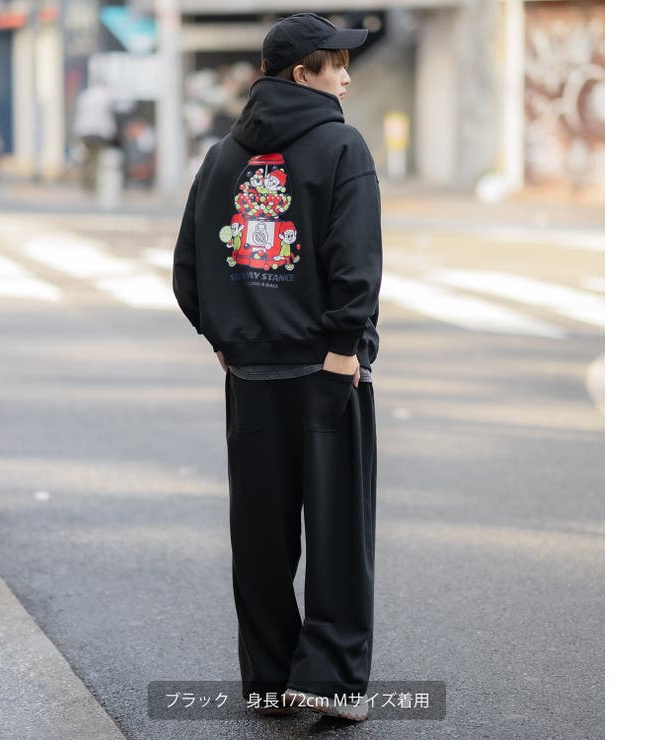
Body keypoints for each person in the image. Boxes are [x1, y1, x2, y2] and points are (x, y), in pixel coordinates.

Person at [172, 12, 382, 722]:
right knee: (338, 533)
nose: (346, 77)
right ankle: (329, 679)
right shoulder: (341, 146)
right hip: (325, 370)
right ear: (302, 73)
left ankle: (268, 678)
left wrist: (225, 340)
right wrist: (343, 351)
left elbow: (188, 267)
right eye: (336, 64)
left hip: (251, 375)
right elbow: (356, 261)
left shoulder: (222, 157)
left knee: (260, 536)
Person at [72, 72, 118, 191]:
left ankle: (87, 183)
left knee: (87, 158)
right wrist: (112, 131)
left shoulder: (85, 95)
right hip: (99, 132)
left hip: (84, 131)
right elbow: (107, 117)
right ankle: (94, 184)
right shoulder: (106, 96)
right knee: (97, 158)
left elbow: (79, 114)